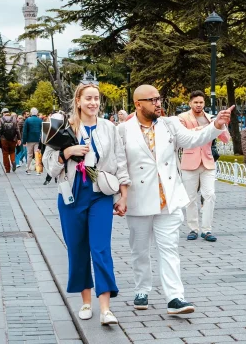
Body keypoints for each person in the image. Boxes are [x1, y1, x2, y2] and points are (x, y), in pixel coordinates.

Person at [118, 85, 232, 314]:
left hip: (168, 198)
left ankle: (175, 297)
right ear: (138, 104)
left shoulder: (169, 124)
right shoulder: (123, 130)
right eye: (151, 100)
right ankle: (142, 289)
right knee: (140, 250)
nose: (158, 103)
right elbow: (119, 164)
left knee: (169, 248)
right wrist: (121, 195)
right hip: (139, 200)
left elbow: (193, 138)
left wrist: (216, 125)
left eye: (159, 99)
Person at [43, 83, 131, 326]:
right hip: (72, 196)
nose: (93, 103)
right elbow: (50, 166)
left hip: (99, 194)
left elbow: (120, 163)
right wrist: (67, 152)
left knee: (100, 248)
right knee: (77, 248)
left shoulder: (109, 128)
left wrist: (123, 196)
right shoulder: (64, 127)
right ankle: (85, 302)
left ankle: (105, 308)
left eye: (97, 98)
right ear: (78, 101)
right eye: (88, 98)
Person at [178, 90, 231, 242]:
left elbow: (226, 139)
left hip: (208, 162)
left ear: (204, 104)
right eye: (196, 102)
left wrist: (221, 124)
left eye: (201, 102)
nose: (199, 105)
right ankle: (193, 228)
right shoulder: (182, 118)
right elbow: (184, 136)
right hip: (189, 162)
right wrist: (209, 127)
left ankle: (207, 230)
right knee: (190, 198)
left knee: (210, 195)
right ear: (190, 103)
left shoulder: (211, 119)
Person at [0, 109, 21, 173]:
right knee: (12, 152)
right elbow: (17, 129)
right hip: (13, 139)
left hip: (4, 139)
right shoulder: (14, 119)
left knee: (5, 153)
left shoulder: (2, 119)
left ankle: (7, 169)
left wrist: (0, 138)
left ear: (3, 113)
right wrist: (19, 138)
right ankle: (13, 161)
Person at [22, 108, 42, 175]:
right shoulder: (40, 120)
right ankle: (38, 170)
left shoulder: (27, 120)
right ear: (37, 113)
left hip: (29, 140)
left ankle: (28, 169)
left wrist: (24, 141)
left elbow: (25, 132)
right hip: (37, 140)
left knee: (29, 154)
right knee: (37, 154)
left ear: (31, 113)